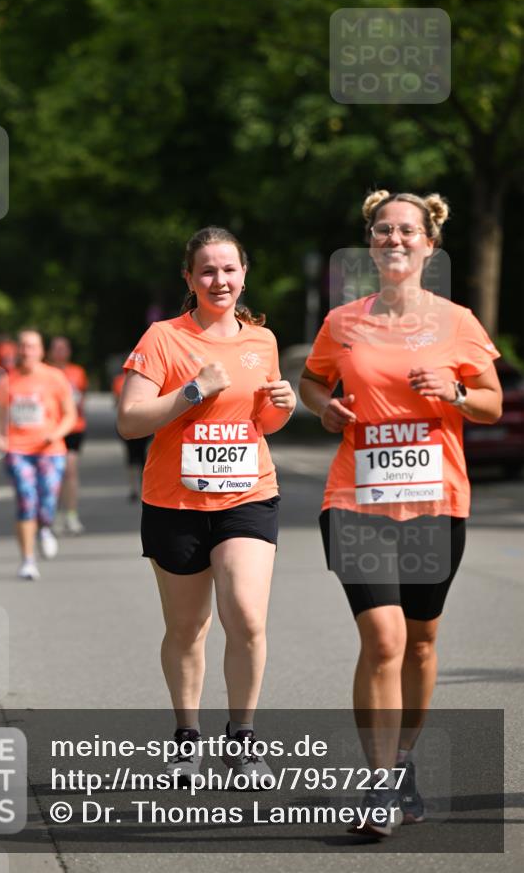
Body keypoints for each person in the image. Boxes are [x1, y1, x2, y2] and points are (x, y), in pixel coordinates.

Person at [300, 190, 503, 836]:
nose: (394, 239)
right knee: (383, 640)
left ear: (429, 245)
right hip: (354, 499)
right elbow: (312, 381)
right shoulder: (343, 322)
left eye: (406, 231)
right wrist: (324, 407)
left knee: (419, 643)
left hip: (435, 502)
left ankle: (403, 761)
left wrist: (457, 391)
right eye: (383, 230)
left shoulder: (457, 322)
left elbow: (492, 403)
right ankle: (379, 784)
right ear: (370, 244)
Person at [117, 226, 296, 785]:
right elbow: (129, 421)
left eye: (229, 269)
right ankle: (186, 737)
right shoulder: (163, 338)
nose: (220, 280)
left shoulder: (262, 341)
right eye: (208, 271)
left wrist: (283, 405)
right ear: (190, 279)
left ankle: (242, 738)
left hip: (249, 494)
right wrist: (194, 389)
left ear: (245, 274)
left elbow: (262, 422)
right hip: (175, 501)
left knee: (246, 614)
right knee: (188, 627)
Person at [0, 329, 77, 580]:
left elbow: (70, 415)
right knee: (26, 499)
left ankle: (45, 527)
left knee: (47, 500)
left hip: (50, 450)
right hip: (18, 450)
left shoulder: (55, 378)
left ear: (41, 351)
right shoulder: (7, 380)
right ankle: (28, 560)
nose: (26, 351)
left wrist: (56, 434)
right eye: (22, 346)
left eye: (31, 346)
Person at [47, 336, 89, 534]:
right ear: (49, 351)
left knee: (70, 470)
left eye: (63, 348)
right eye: (56, 348)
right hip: (51, 430)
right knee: (53, 473)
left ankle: (71, 515)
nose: (60, 352)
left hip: (74, 428)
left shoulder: (77, 372)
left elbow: (82, 399)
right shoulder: (46, 373)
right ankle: (53, 514)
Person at [112, 370, 151, 501]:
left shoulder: (120, 380)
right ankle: (137, 487)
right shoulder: (146, 377)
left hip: (138, 422)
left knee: (135, 456)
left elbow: (117, 402)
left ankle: (137, 488)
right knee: (138, 456)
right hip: (138, 422)